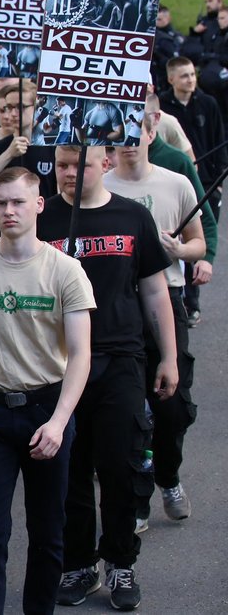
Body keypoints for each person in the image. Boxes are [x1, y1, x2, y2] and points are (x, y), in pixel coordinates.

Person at [0, 167, 95, 614]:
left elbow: (81, 355)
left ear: (38, 205)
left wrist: (59, 422)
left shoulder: (66, 270)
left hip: (46, 410)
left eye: (17, 202)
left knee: (48, 535)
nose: (8, 211)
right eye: (0, 203)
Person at [38, 146, 177, 611]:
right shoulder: (42, 216)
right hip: (56, 363)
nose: (70, 173)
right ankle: (79, 564)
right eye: (62, 165)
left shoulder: (133, 216)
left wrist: (168, 357)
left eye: (80, 164)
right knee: (69, 471)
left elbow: (154, 291)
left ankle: (121, 561)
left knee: (120, 466)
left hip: (119, 359)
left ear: (107, 165)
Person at [103, 121, 205, 529]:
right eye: (121, 138)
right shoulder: (101, 185)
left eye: (136, 134)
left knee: (172, 405)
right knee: (129, 410)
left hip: (168, 298)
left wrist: (178, 249)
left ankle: (169, 476)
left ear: (150, 135)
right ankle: (137, 499)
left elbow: (199, 242)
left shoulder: (176, 183)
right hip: (119, 304)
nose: (129, 144)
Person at [159, 56, 226, 325]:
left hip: (206, 183)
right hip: (174, 183)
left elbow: (218, 139)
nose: (190, 80)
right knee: (175, 241)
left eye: (192, 74)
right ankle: (175, 298)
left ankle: (192, 302)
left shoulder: (208, 103)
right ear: (171, 79)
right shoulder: (162, 107)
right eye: (184, 75)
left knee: (196, 238)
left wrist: (218, 182)